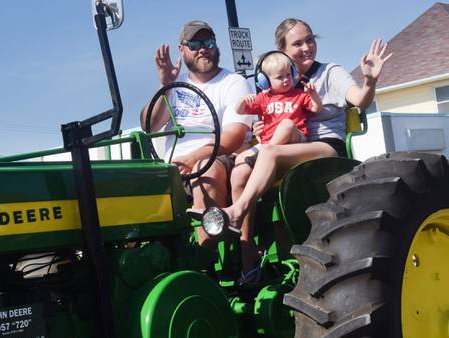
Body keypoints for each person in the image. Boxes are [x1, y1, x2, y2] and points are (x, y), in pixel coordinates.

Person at [225, 18, 391, 278]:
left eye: (310, 39)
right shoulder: (277, 83)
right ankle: (248, 261)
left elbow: (360, 99)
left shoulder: (329, 73)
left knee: (267, 152)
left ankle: (236, 211)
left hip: (325, 148)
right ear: (282, 50)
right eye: (297, 43)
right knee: (238, 173)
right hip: (289, 150)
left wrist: (369, 81)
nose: (306, 48)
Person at [141, 20, 252, 246]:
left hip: (217, 158)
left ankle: (208, 260)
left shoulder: (233, 82)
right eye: (194, 44)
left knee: (204, 170)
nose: (203, 48)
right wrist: (165, 84)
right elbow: (149, 125)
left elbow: (233, 137)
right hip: (173, 167)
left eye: (208, 42)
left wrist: (193, 159)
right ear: (182, 49)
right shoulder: (174, 85)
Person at [235, 52, 322, 161]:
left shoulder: (299, 94)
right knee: (239, 161)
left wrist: (313, 94)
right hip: (268, 143)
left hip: (295, 139)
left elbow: (317, 108)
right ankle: (266, 152)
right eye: (279, 77)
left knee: (287, 124)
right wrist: (242, 101)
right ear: (265, 81)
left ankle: (265, 153)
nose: (286, 79)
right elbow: (240, 111)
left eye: (288, 74)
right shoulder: (263, 98)